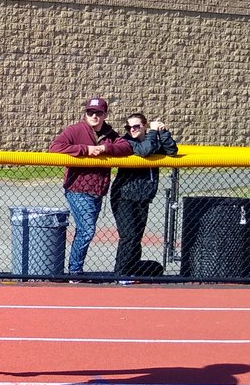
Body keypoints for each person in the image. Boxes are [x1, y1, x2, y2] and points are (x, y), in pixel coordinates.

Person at [48, 97, 132, 275]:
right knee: (87, 230)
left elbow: (126, 147)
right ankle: (75, 271)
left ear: (105, 115)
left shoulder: (109, 134)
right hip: (77, 188)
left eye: (98, 113)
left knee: (85, 230)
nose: (94, 116)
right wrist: (85, 149)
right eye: (90, 112)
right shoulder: (75, 130)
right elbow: (55, 147)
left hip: (97, 190)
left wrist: (106, 149)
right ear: (86, 113)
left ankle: (75, 269)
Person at [110, 113, 178, 278]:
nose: (132, 130)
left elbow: (172, 151)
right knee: (129, 236)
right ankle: (121, 274)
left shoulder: (152, 140)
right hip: (124, 196)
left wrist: (163, 132)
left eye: (136, 126)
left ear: (144, 126)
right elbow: (144, 151)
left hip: (143, 196)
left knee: (136, 237)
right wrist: (153, 133)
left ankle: (131, 269)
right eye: (129, 127)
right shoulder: (126, 142)